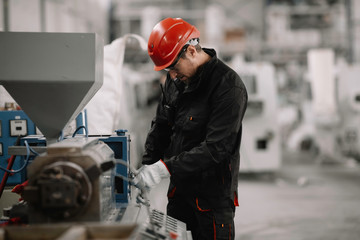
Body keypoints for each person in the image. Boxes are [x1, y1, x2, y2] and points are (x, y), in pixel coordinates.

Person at [134, 17, 248, 239]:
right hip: (179, 194)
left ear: (192, 52)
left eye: (174, 67)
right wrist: (146, 167)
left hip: (212, 201)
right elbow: (162, 126)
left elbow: (217, 148)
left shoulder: (228, 87)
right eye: (168, 70)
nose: (172, 75)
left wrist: (163, 169)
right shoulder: (176, 81)